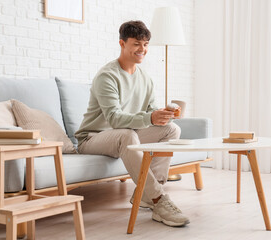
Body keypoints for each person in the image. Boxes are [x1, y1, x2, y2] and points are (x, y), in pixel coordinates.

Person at [75, 20, 189, 227]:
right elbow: (115, 119)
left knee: (171, 130)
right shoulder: (107, 76)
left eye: (145, 44)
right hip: (93, 138)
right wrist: (149, 118)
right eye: (137, 44)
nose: (142, 49)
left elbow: (148, 112)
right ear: (122, 43)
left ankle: (146, 195)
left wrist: (162, 115)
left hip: (126, 134)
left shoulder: (145, 78)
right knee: (126, 134)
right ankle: (158, 199)